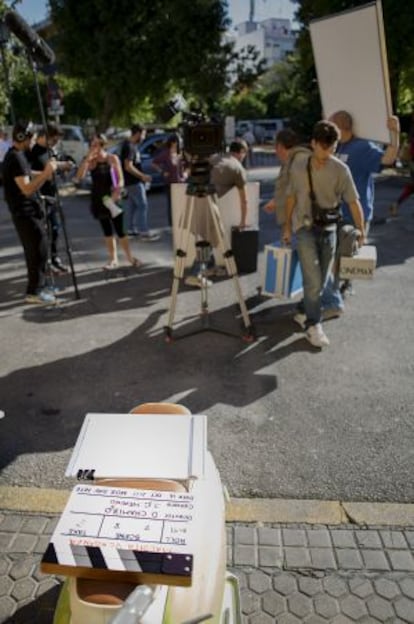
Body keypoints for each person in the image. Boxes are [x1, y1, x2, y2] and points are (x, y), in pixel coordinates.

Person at [283, 120, 365, 348]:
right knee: (313, 279)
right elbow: (290, 197)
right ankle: (314, 325)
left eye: (333, 149)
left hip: (329, 230)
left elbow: (353, 202)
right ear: (313, 144)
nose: (328, 153)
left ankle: (304, 311)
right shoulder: (299, 166)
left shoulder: (340, 169)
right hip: (304, 228)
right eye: (324, 148)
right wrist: (287, 227)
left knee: (320, 281)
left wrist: (362, 231)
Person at [2, 121, 58, 304]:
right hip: (25, 213)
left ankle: (39, 287)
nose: (34, 140)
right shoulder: (16, 157)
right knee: (38, 251)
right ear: (22, 137)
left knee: (36, 251)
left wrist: (48, 170)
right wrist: (46, 172)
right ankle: (34, 292)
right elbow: (26, 189)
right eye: (32, 137)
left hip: (27, 212)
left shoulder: (17, 155)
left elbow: (25, 174)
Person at [184, 139, 249, 288]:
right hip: (207, 203)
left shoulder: (216, 157)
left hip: (193, 198)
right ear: (242, 153)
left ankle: (210, 267)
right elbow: (244, 200)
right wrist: (243, 221)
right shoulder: (238, 168)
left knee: (208, 237)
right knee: (208, 240)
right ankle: (195, 273)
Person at [75, 134, 141, 270]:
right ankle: (113, 259)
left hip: (113, 198)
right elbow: (79, 177)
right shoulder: (91, 161)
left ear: (103, 145)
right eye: (92, 145)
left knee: (121, 230)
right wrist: (87, 158)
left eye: (97, 144)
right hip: (99, 199)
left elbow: (121, 179)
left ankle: (129, 257)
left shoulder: (112, 158)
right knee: (107, 230)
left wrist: (117, 190)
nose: (95, 148)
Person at [330, 110, 400, 235]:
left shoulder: (362, 146)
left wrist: (395, 133)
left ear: (339, 128)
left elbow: (388, 159)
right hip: (336, 215)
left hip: (356, 217)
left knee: (351, 254)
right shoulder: (336, 146)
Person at [29, 122, 73, 274]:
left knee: (55, 230)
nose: (55, 143)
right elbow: (28, 174)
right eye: (54, 140)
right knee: (43, 233)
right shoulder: (33, 152)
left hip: (52, 196)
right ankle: (44, 263)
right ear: (45, 136)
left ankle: (55, 259)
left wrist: (64, 167)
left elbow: (54, 166)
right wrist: (45, 175)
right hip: (39, 198)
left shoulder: (50, 151)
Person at [120, 124, 160, 241]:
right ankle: (143, 231)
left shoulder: (130, 145)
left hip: (131, 182)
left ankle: (130, 230)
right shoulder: (129, 146)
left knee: (132, 206)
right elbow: (128, 166)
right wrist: (143, 176)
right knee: (142, 205)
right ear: (137, 133)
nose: (144, 137)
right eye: (143, 134)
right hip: (133, 182)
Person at [263, 128, 311, 224]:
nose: (276, 152)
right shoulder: (290, 161)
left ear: (280, 146)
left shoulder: (298, 161)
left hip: (299, 221)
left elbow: (299, 190)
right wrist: (276, 201)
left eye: (275, 147)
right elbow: (288, 187)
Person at [151, 134, 187, 226]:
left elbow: (188, 164)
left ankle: (181, 223)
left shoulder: (181, 152)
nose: (179, 144)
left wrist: (186, 174)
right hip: (170, 183)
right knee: (172, 205)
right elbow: (154, 163)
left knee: (181, 204)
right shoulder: (166, 153)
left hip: (181, 183)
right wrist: (162, 172)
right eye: (178, 142)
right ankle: (172, 225)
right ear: (172, 142)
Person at [390, 112, 414, 215]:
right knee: (411, 187)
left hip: (412, 160)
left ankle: (396, 204)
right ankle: (396, 204)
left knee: (411, 187)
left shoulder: (412, 128)